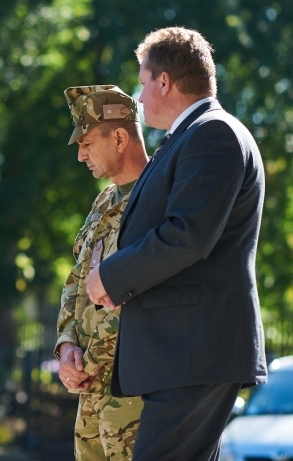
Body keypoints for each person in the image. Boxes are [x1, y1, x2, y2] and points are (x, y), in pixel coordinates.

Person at [86, 27, 266, 460]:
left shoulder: (212, 134)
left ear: (164, 81)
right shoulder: (191, 137)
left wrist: (110, 276)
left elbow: (187, 236)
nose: (139, 97)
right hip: (186, 355)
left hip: (194, 353)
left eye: (143, 82)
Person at [56, 85, 148, 460]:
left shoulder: (158, 195)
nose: (81, 155)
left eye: (87, 143)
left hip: (134, 387)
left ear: (120, 138)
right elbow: (77, 281)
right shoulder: (104, 200)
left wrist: (87, 363)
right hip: (92, 390)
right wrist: (66, 347)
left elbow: (142, 292)